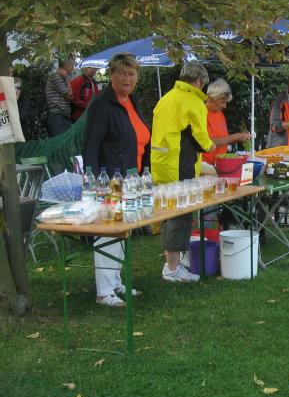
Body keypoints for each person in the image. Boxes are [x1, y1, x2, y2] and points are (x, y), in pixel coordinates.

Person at [83, 53, 151, 307]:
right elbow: (91, 145)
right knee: (108, 233)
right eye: (121, 73)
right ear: (111, 74)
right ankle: (103, 291)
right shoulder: (102, 105)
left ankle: (115, 281)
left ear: (137, 78)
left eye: (131, 74)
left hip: (132, 178)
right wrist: (93, 181)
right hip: (109, 180)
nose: (126, 78)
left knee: (122, 231)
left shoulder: (131, 101)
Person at [151, 60, 215, 283]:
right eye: (203, 84)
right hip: (180, 164)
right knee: (180, 215)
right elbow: (200, 136)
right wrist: (211, 147)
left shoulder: (166, 98)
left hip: (161, 163)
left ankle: (172, 262)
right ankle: (173, 268)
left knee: (168, 214)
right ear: (198, 81)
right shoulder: (193, 101)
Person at [202, 78, 251, 166]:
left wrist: (240, 137)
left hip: (220, 162)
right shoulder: (201, 113)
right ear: (212, 99)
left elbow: (224, 140)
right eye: (222, 102)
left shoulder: (219, 113)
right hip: (206, 164)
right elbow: (207, 142)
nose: (225, 106)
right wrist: (235, 137)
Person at [44, 57, 75, 136]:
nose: (73, 68)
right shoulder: (56, 76)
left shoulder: (63, 77)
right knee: (61, 142)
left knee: (66, 141)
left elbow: (71, 97)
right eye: (71, 65)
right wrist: (67, 78)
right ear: (64, 65)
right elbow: (70, 95)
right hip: (57, 116)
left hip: (64, 116)